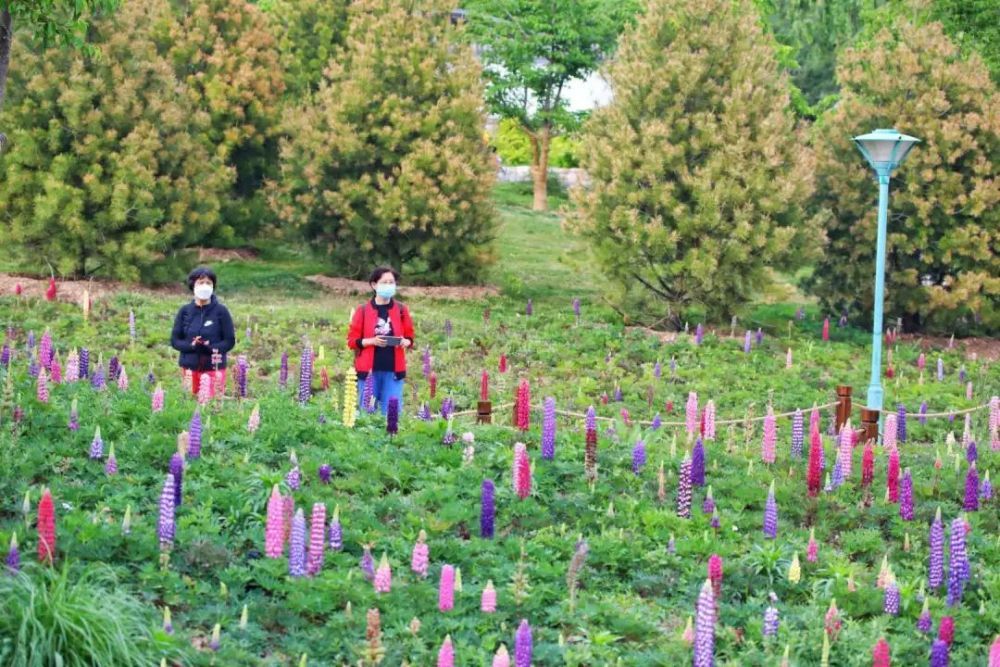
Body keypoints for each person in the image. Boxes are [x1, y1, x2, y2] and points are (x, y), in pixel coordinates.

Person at [347, 266, 415, 415]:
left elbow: (410, 337)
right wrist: (372, 341)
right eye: (385, 282)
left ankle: (391, 437)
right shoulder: (363, 310)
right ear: (374, 285)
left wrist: (406, 342)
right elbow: (352, 341)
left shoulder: (402, 309)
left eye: (392, 282)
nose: (389, 285)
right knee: (366, 413)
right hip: (368, 371)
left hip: (394, 371)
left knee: (392, 414)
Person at [170, 266, 236, 398]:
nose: (205, 286)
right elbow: (175, 340)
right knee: (189, 403)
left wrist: (210, 348)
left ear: (213, 286)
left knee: (210, 405)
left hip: (213, 368)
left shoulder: (221, 311)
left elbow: (229, 341)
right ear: (193, 285)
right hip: (189, 367)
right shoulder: (185, 311)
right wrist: (192, 346)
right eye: (201, 283)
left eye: (209, 283)